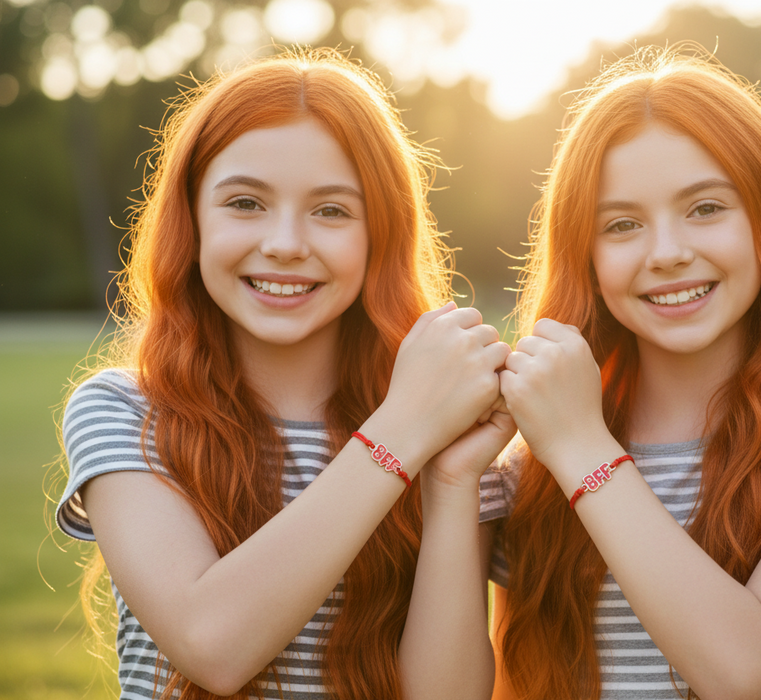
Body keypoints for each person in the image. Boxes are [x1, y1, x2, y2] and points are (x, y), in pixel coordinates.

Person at [55, 48, 512, 700]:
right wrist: (402, 430)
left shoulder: (442, 430)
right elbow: (211, 645)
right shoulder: (125, 410)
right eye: (245, 203)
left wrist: (448, 475)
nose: (286, 243)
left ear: (378, 235)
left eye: (331, 211)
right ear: (193, 219)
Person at [484, 44, 761, 700]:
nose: (666, 253)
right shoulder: (531, 469)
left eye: (706, 209)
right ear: (586, 255)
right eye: (623, 224)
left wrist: (582, 449)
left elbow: (749, 672)